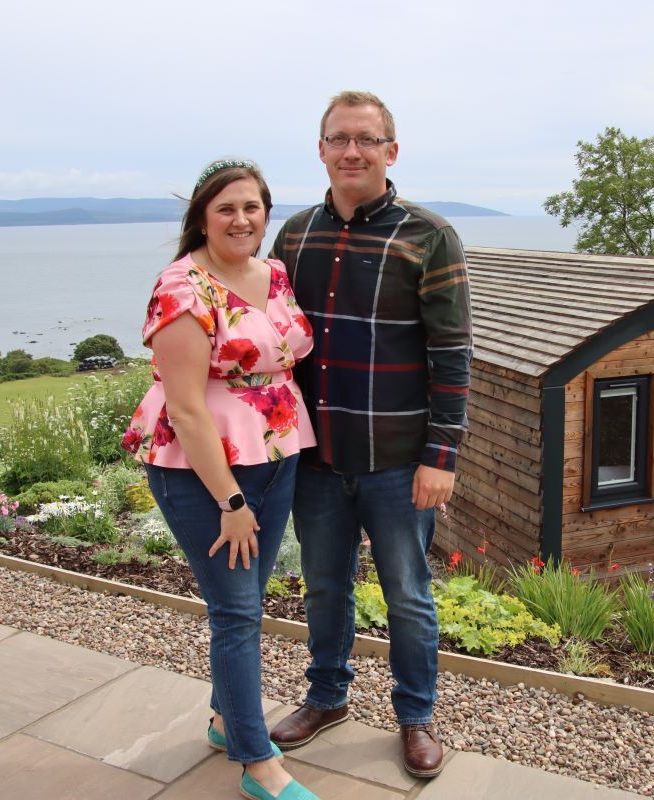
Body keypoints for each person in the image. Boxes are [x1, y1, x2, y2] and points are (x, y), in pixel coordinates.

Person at [267, 91, 472, 778]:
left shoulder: (429, 236)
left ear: (391, 150)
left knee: (408, 597)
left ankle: (416, 716)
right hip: (316, 458)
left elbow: (452, 354)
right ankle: (327, 698)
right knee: (324, 587)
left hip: (398, 462)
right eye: (338, 139)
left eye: (366, 139)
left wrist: (441, 455)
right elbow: (270, 334)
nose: (351, 151)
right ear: (321, 149)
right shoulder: (295, 235)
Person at [123, 159, 319, 800]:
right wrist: (231, 501)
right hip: (203, 470)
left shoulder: (275, 273)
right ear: (202, 219)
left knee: (247, 603)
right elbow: (184, 409)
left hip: (278, 453)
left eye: (251, 207)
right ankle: (257, 763)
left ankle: (221, 719)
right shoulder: (181, 289)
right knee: (236, 613)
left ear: (266, 213)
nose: (241, 220)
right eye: (226, 209)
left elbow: (284, 358)